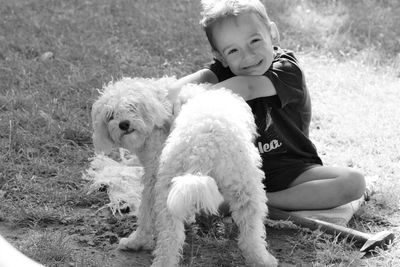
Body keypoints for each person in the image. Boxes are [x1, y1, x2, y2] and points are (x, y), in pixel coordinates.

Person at [169, 0, 366, 211]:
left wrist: (196, 97)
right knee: (189, 179)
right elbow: (175, 91)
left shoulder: (287, 68)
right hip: (239, 172)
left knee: (353, 182)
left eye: (254, 41)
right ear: (220, 57)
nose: (248, 55)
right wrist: (177, 97)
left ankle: (261, 202)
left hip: (293, 169)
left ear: (272, 33)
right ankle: (238, 198)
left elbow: (249, 87)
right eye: (233, 50)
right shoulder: (222, 72)